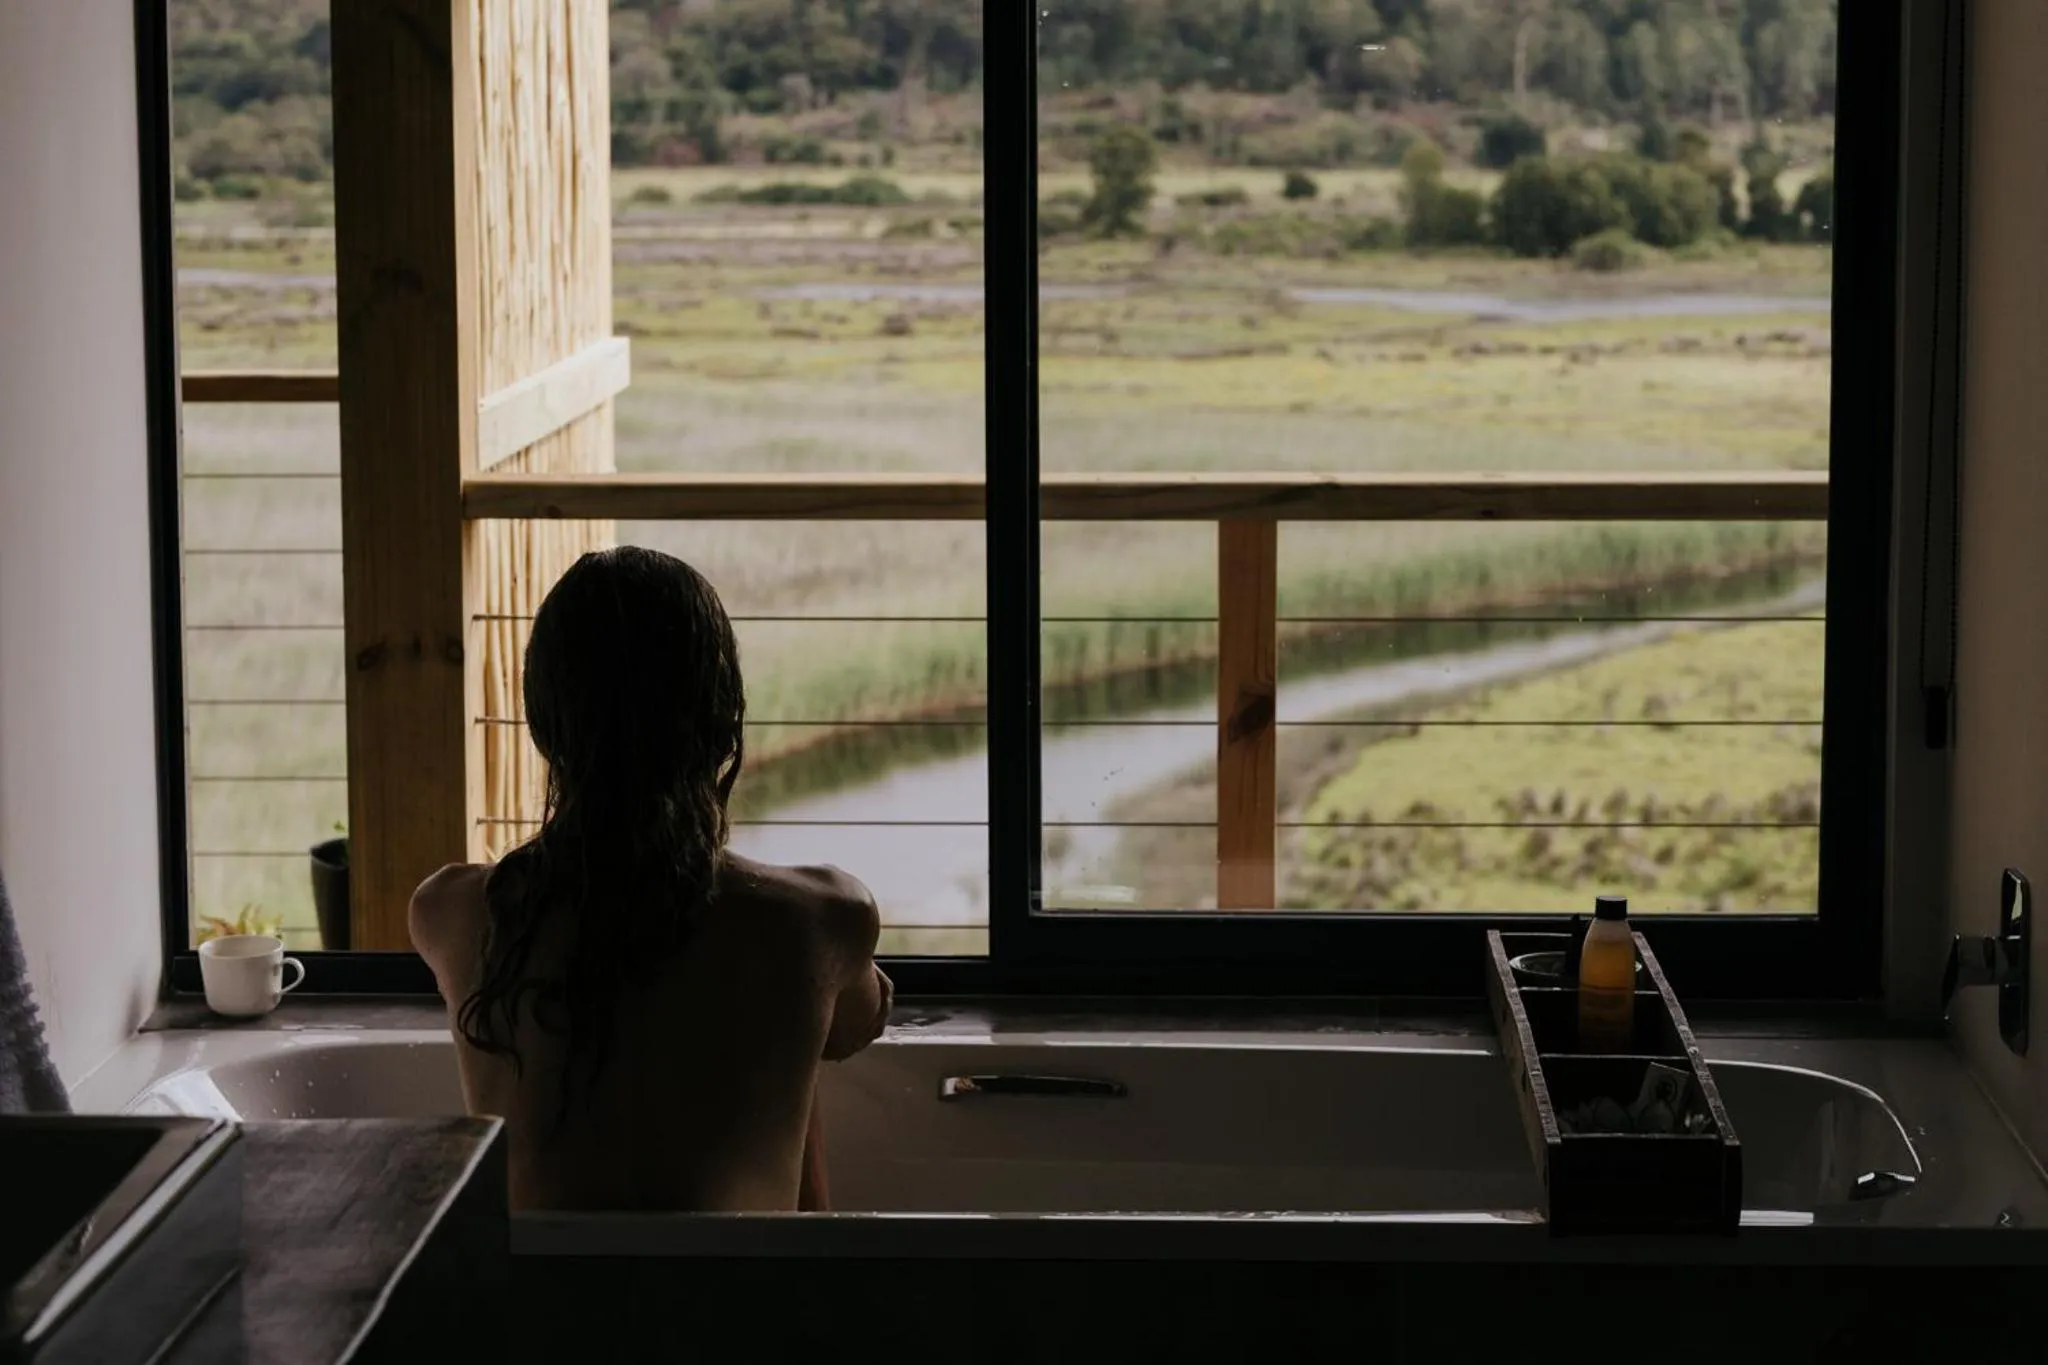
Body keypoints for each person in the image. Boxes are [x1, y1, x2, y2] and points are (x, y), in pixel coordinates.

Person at [409, 546, 892, 1212]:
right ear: (722, 715)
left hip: (539, 1284)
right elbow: (855, 1025)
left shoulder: (451, 912)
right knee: (789, 1038)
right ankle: (798, 1262)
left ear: (544, 725)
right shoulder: (822, 917)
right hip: (736, 1281)